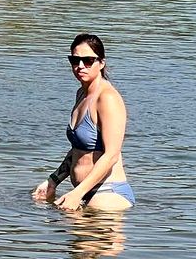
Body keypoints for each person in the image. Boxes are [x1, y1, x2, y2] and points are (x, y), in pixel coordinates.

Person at [32, 33, 135, 211]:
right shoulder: (82, 94)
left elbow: (111, 155)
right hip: (83, 193)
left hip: (108, 195)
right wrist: (53, 181)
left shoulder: (107, 98)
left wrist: (77, 194)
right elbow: (79, 150)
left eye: (88, 60)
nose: (80, 66)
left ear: (101, 63)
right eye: (75, 60)